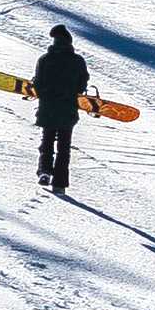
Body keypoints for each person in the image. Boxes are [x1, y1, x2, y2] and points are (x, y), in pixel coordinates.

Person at [31, 21, 91, 194]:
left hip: (48, 107)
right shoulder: (78, 61)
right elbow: (81, 86)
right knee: (64, 147)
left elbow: (38, 84)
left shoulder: (44, 59)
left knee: (47, 141)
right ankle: (60, 183)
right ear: (69, 42)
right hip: (68, 109)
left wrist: (45, 94)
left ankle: (44, 172)